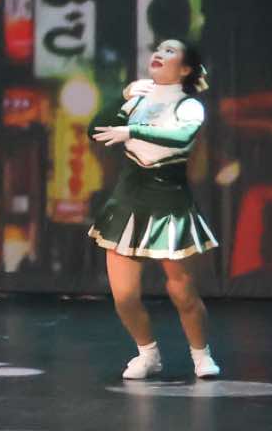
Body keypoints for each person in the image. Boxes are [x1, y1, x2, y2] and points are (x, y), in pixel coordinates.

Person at [89, 38, 221, 379]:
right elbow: (95, 130)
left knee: (182, 291)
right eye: (158, 50)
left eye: (170, 51)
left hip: (170, 205)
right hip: (129, 202)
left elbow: (181, 136)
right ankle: (148, 354)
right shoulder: (138, 99)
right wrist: (123, 97)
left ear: (186, 68)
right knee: (124, 296)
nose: (159, 54)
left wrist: (132, 129)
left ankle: (201, 354)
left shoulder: (189, 106)